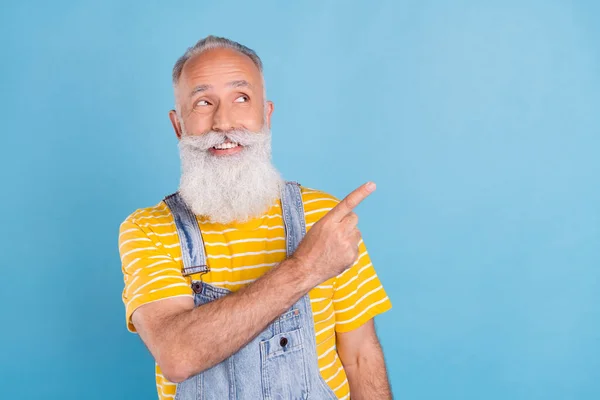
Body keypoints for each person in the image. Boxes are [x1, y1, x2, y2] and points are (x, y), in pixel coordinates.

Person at [118, 35, 393, 400]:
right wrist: (306, 267)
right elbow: (178, 355)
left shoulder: (323, 217)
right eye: (203, 102)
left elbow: (360, 358)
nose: (224, 122)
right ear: (178, 125)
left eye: (241, 98)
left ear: (266, 115)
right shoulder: (146, 230)